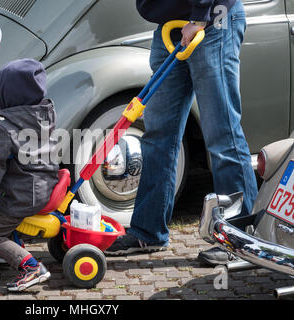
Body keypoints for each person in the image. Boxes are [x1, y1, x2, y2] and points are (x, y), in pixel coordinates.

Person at [106, 0, 258, 265]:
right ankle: (148, 232)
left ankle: (242, 241)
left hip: (213, 20)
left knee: (222, 135)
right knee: (157, 135)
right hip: (171, 26)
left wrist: (200, 16)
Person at [0, 58, 59, 291]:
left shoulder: (3, 130)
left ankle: (31, 268)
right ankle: (13, 251)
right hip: (46, 183)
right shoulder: (45, 117)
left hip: (25, 194)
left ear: (5, 93)